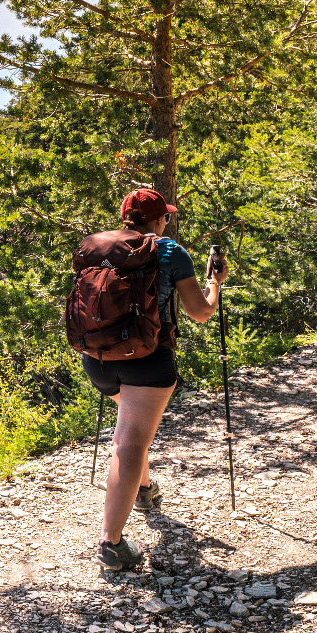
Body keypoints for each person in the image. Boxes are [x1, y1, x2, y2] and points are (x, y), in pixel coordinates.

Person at [84, 187, 228, 571]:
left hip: (97, 358)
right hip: (147, 358)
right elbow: (199, 312)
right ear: (160, 219)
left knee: (131, 426)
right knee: (129, 442)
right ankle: (111, 545)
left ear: (125, 218)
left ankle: (145, 491)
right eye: (166, 215)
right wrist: (217, 283)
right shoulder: (170, 251)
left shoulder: (95, 246)